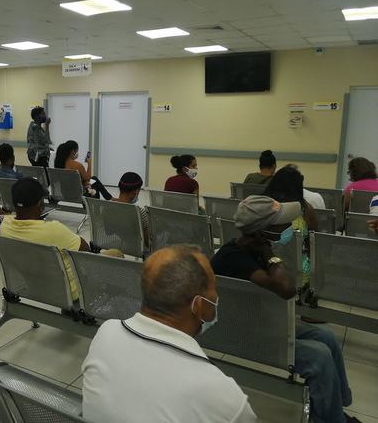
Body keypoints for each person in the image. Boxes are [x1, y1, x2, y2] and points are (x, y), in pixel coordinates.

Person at [210, 195, 358, 423]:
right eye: (283, 223)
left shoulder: (251, 247)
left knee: (325, 336)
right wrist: (270, 255)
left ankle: (334, 410)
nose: (290, 226)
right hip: (241, 335)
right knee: (319, 358)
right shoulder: (235, 257)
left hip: (259, 323)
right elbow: (286, 288)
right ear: (261, 232)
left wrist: (266, 251)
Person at [82, 245, 256, 423]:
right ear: (198, 305)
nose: (216, 296)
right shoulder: (224, 396)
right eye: (214, 288)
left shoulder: (107, 332)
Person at [0, 177, 90, 301]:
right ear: (40, 204)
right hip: (68, 292)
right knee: (115, 255)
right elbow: (86, 249)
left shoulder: (5, 225)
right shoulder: (54, 230)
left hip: (31, 287)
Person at [265, 165, 317, 287]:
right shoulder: (305, 209)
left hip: (264, 267)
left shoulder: (263, 206)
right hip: (296, 272)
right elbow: (313, 243)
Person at [111, 172, 149, 245]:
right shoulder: (139, 212)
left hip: (117, 244)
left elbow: (108, 232)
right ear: (135, 191)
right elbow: (147, 242)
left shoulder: (107, 207)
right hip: (137, 247)